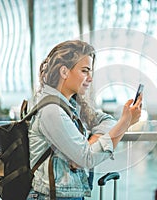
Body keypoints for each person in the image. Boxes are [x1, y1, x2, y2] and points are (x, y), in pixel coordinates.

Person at [26, 40, 142, 200]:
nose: (90, 78)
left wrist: (90, 144)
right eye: (85, 71)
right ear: (64, 72)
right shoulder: (52, 111)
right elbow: (87, 158)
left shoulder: (71, 105)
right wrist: (125, 123)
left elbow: (106, 120)